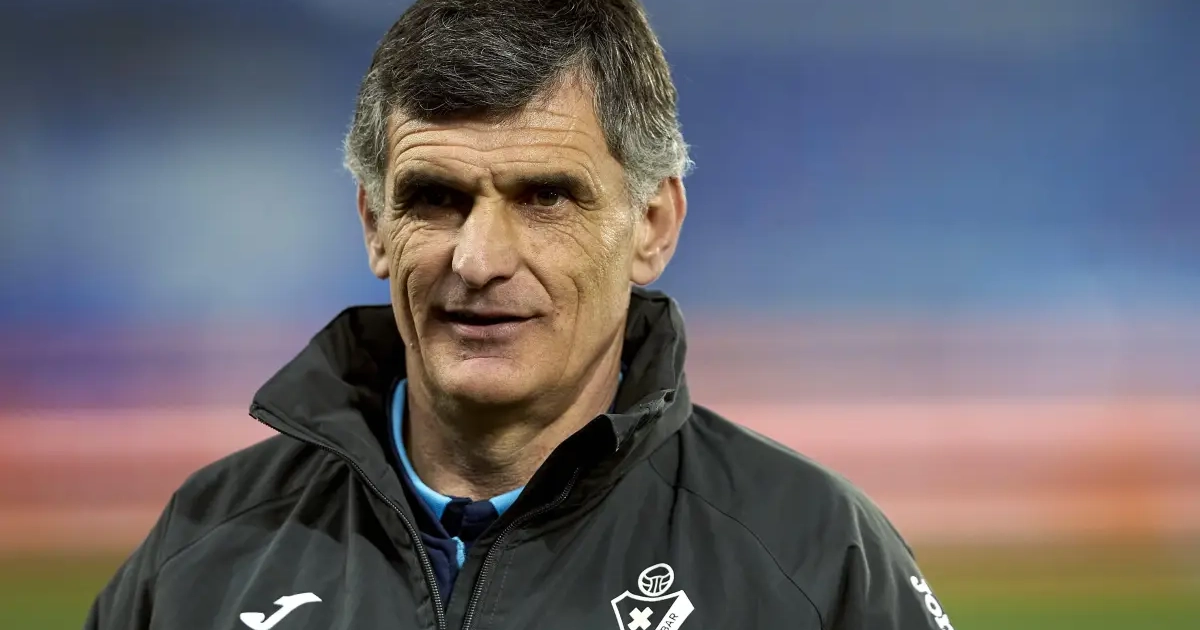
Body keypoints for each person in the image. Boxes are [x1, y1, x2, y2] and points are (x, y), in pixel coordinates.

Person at [86, 1, 954, 629]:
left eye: (545, 197)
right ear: (375, 226)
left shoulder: (810, 554)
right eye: (435, 198)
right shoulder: (203, 550)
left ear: (653, 226)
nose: (479, 260)